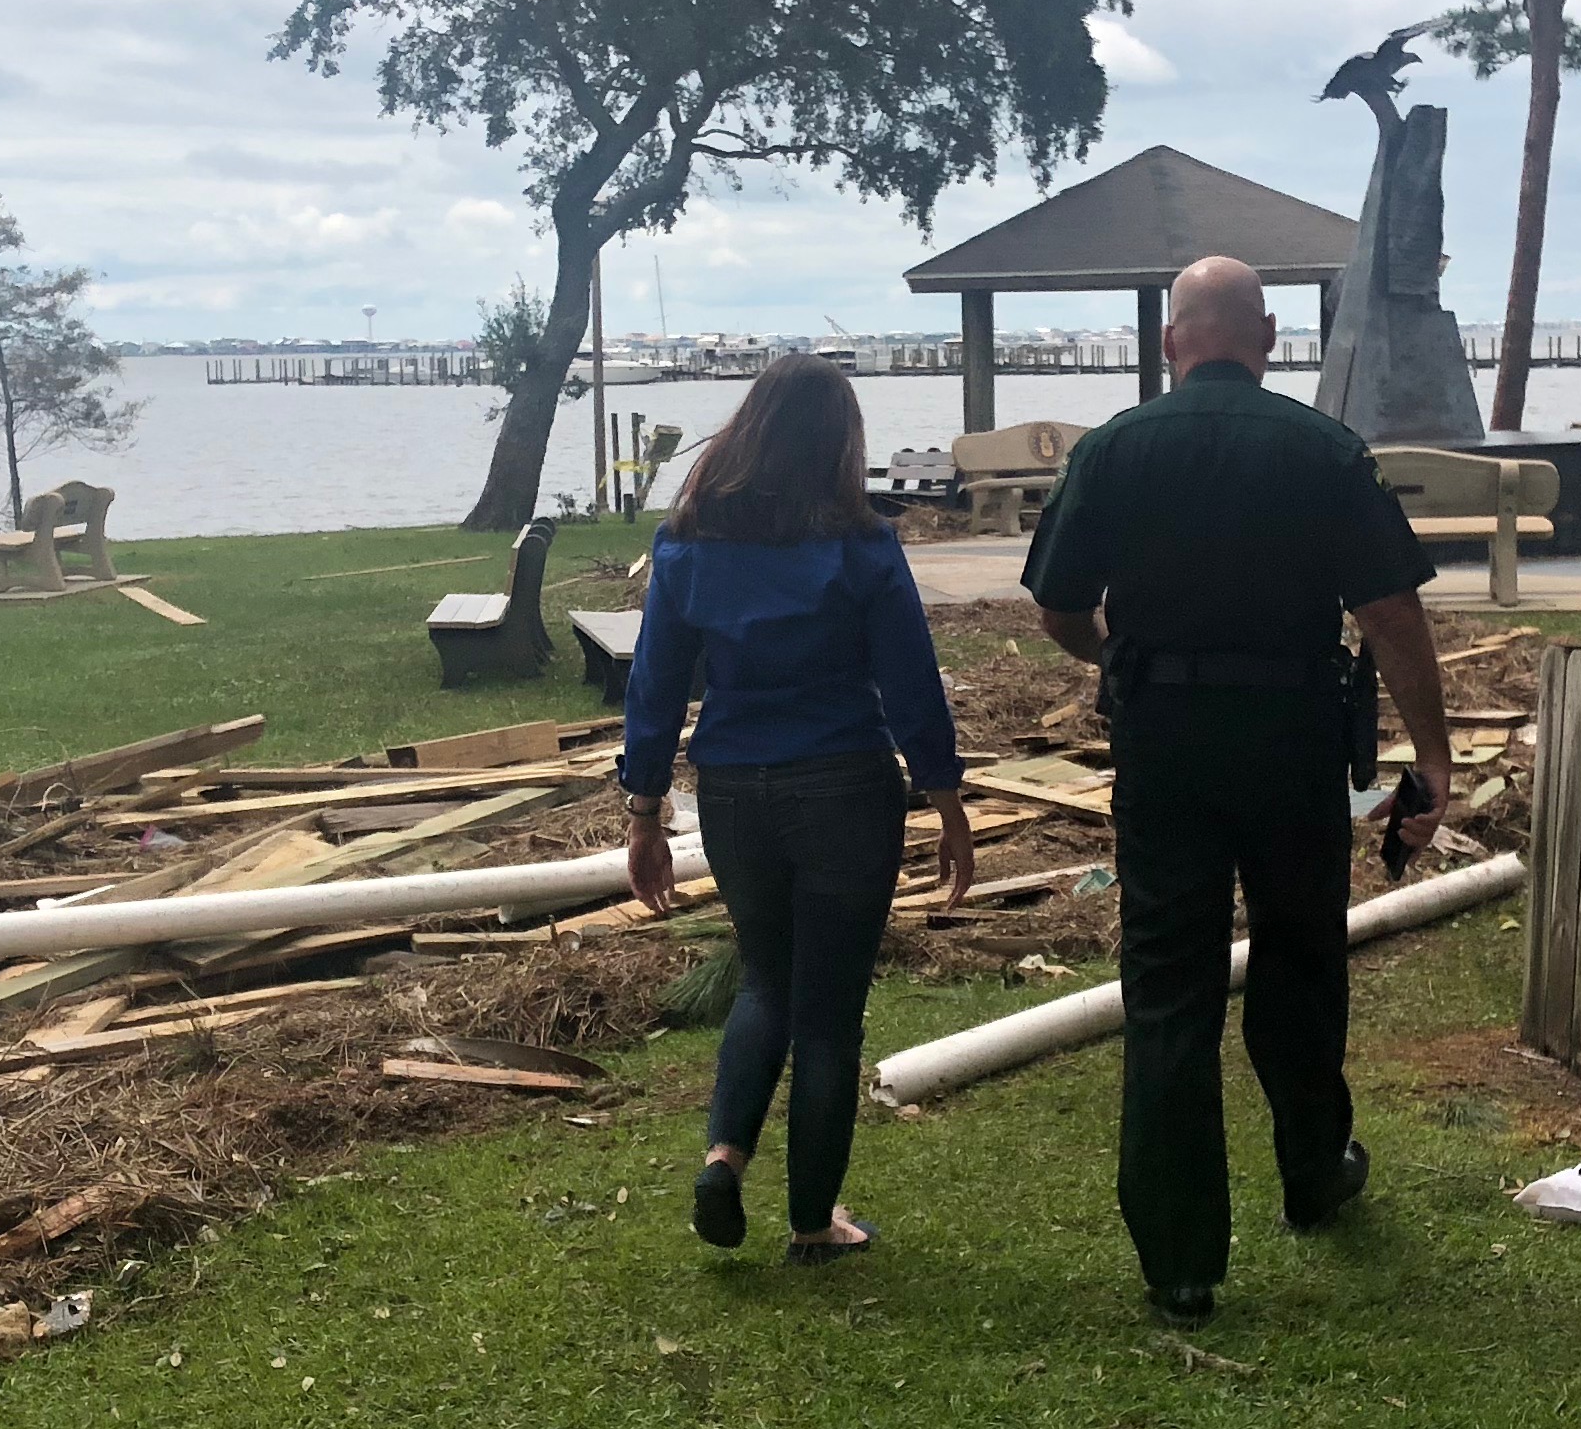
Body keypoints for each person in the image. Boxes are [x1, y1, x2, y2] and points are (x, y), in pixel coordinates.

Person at [1023, 254, 1457, 1324]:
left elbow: (1061, 608)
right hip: (1292, 738)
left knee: (1169, 984)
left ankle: (1181, 1261)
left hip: (1164, 741)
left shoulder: (1114, 450)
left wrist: (1119, 652)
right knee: (1301, 959)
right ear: (1266, 341)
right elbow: (1393, 613)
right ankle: (1313, 1170)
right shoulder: (1324, 450)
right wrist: (1433, 758)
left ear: (1172, 344)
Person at [619, 353, 975, 1263]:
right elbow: (909, 683)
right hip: (846, 786)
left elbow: (655, 686)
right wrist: (946, 798)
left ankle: (724, 1156)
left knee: (765, 979)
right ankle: (814, 1224)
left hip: (734, 789)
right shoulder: (861, 545)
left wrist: (645, 812)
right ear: (838, 444)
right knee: (828, 1011)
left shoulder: (688, 544)